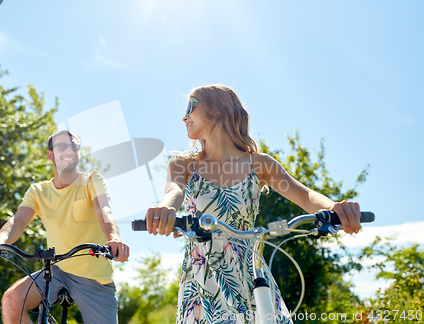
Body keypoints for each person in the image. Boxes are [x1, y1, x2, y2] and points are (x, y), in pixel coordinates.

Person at [145, 84, 362, 324]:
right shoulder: (183, 163)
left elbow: (305, 195)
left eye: (191, 107)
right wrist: (166, 208)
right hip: (204, 276)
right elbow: (174, 190)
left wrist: (333, 208)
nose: (184, 116)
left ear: (218, 110)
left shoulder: (259, 164)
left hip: (252, 268)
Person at [0, 130, 129, 324]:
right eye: (62, 146)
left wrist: (114, 239)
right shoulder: (39, 191)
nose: (69, 150)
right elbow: (18, 221)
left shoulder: (91, 181)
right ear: (50, 155)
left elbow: (104, 211)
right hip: (56, 272)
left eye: (74, 146)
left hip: (95, 278)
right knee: (12, 299)